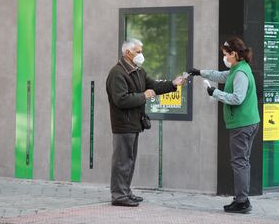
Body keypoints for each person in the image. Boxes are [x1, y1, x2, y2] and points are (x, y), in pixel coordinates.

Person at [106, 38, 185, 207]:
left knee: (130, 160)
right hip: (123, 124)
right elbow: (121, 100)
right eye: (138, 52)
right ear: (128, 53)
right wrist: (144, 96)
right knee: (122, 161)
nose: (142, 55)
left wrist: (172, 84)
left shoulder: (138, 71)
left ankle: (126, 192)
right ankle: (119, 196)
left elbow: (153, 85)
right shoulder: (117, 73)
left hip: (135, 123)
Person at [189, 37, 260, 214]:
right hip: (247, 122)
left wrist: (215, 93)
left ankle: (242, 201)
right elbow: (220, 75)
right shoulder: (238, 69)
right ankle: (241, 198)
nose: (224, 58)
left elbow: (238, 98)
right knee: (243, 161)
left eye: (226, 55)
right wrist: (199, 72)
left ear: (234, 54)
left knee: (239, 162)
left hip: (242, 124)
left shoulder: (241, 73)